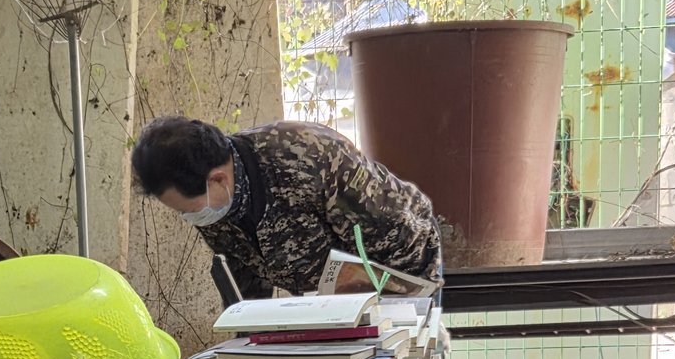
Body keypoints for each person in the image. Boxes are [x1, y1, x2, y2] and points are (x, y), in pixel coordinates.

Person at [130, 116, 442, 300]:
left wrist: (404, 323)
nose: (192, 219)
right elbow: (243, 282)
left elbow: (395, 237)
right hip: (328, 299)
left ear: (218, 179)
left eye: (190, 211)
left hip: (403, 260)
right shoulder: (214, 199)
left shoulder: (309, 156)